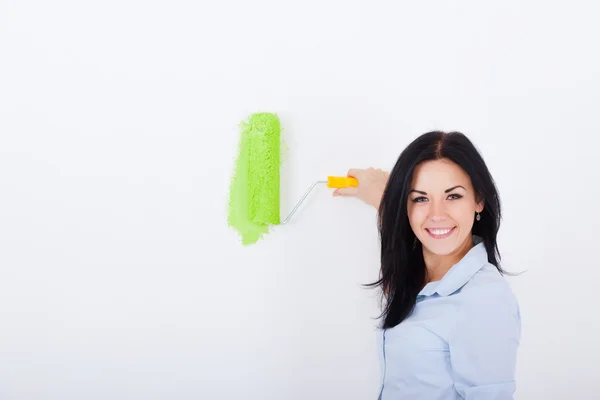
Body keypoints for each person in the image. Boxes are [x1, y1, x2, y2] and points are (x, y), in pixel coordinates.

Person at [333, 131, 521, 399]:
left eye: (453, 196)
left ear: (478, 200)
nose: (437, 215)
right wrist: (384, 199)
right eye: (420, 198)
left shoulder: (485, 299)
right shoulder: (414, 271)